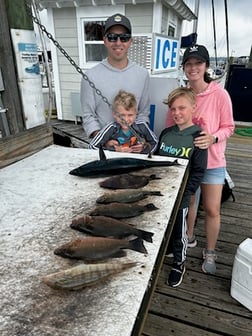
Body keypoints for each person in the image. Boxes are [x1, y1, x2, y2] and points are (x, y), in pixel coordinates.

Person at [166, 44, 235, 274]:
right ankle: (188, 237)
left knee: (212, 208)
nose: (193, 68)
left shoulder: (220, 94)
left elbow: (229, 127)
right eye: (189, 64)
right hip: (188, 162)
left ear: (206, 66)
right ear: (184, 68)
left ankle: (211, 250)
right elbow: (171, 126)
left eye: (198, 63)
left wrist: (213, 138)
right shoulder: (181, 95)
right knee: (189, 202)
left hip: (213, 162)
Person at [156, 87, 207, 287]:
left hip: (180, 197)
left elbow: (198, 171)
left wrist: (186, 193)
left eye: (182, 108)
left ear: (193, 107)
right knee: (161, 227)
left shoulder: (199, 137)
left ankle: (179, 263)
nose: (176, 113)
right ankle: (166, 253)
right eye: (173, 109)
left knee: (179, 232)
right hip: (161, 192)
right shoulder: (166, 133)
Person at [80, 13, 150, 139]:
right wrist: (104, 141)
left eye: (124, 37)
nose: (118, 43)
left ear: (130, 41)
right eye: (112, 37)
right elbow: (88, 116)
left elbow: (144, 113)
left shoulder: (143, 75)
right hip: (104, 150)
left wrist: (137, 140)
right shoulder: (90, 76)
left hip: (134, 148)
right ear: (105, 40)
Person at [89, 90, 158, 154]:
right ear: (114, 114)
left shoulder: (141, 126)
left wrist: (143, 151)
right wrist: (115, 150)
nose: (126, 119)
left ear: (136, 113)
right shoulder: (111, 128)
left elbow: (155, 142)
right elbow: (93, 146)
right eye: (122, 115)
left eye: (130, 115)